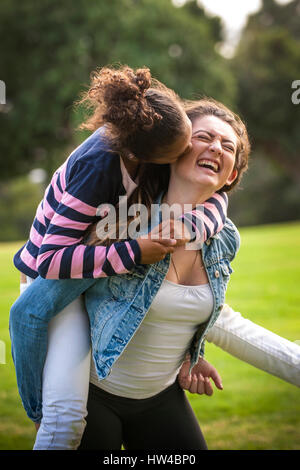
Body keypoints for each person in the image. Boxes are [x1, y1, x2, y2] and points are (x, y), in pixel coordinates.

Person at [10, 98, 300, 450]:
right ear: (174, 150)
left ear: (232, 175)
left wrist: (194, 350)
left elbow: (217, 317)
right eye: (205, 136)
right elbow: (42, 295)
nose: (216, 147)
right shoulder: (119, 220)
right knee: (63, 423)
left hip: (160, 398)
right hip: (95, 396)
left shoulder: (223, 237)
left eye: (228, 146)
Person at [9, 64, 230, 447]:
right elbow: (52, 259)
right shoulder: (99, 166)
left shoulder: (152, 144)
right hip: (57, 263)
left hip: (97, 248)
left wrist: (193, 227)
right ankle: (37, 411)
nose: (186, 155)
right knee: (29, 314)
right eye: (180, 151)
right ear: (142, 155)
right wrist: (132, 253)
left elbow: (219, 197)